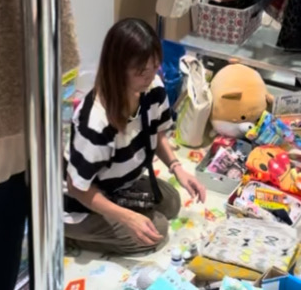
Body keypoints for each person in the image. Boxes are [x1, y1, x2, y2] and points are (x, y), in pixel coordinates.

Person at [64, 18, 206, 255]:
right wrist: (127, 217)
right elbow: (77, 188)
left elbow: (156, 134)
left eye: (154, 67)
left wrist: (177, 168)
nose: (150, 76)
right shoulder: (96, 121)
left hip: (119, 184)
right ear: (118, 69)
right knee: (157, 230)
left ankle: (121, 215)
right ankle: (70, 237)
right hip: (80, 200)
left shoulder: (152, 88)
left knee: (171, 203)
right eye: (141, 72)